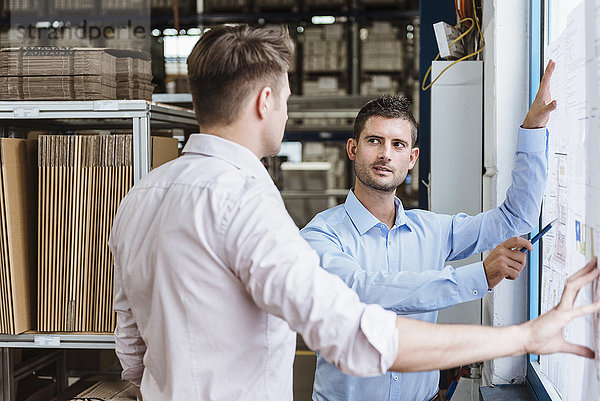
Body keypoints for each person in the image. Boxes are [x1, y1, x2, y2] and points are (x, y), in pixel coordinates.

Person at [108, 25, 600, 401]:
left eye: (398, 144)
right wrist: (523, 335)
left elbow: (131, 353)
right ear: (264, 102)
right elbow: (356, 332)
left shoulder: (138, 199)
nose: (286, 111)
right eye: (284, 99)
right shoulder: (249, 205)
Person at [299, 62, 557, 401]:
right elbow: (363, 291)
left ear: (412, 158)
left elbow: (514, 218)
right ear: (352, 149)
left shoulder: (433, 229)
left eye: (398, 145)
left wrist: (533, 130)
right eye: (374, 141)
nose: (385, 154)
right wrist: (478, 276)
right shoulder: (320, 235)